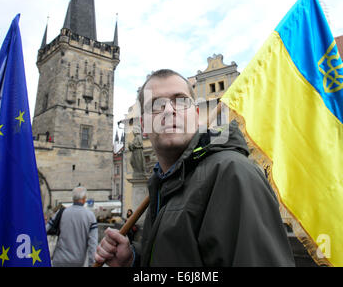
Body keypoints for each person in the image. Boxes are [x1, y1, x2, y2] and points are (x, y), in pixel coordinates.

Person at [95, 69, 295, 266]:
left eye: (180, 101)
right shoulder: (161, 183)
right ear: (144, 125)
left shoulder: (231, 172)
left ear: (196, 115)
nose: (169, 110)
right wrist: (133, 260)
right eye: (155, 105)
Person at [46, 186, 98, 267]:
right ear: (84, 199)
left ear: (73, 198)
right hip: (77, 261)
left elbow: (46, 229)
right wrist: (92, 263)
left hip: (59, 259)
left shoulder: (61, 212)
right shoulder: (90, 216)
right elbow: (93, 243)